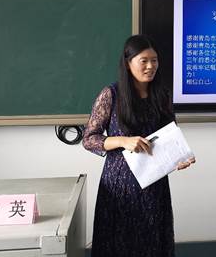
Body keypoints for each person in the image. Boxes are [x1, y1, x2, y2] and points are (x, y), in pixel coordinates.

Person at [83, 34, 195, 257]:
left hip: (153, 184)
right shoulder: (111, 95)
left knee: (152, 243)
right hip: (119, 186)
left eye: (154, 60)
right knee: (119, 244)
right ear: (128, 63)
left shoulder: (162, 95)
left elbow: (170, 136)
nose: (151, 66)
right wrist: (123, 141)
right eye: (144, 61)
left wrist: (179, 158)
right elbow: (89, 139)